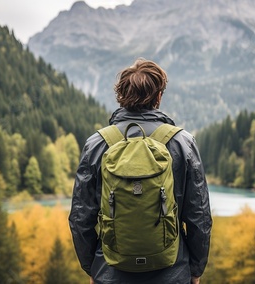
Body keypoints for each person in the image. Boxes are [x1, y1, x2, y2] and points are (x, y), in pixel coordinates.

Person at [69, 58, 212, 284]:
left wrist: (93, 268)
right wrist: (195, 270)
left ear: (121, 96)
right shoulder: (183, 143)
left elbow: (80, 217)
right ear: (158, 97)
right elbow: (199, 216)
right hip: (172, 272)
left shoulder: (97, 144)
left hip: (109, 272)